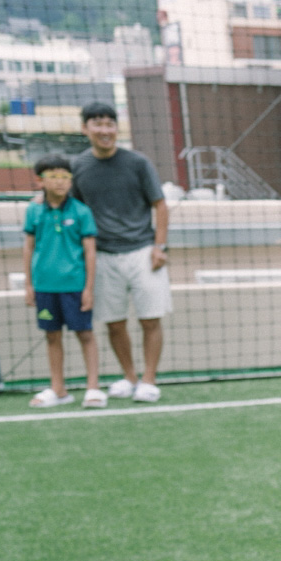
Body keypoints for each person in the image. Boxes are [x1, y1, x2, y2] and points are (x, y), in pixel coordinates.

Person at [71, 101, 169, 404]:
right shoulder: (78, 167)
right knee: (114, 323)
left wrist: (159, 247)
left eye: (110, 124)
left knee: (150, 319)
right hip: (102, 256)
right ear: (85, 129)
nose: (105, 130)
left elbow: (160, 205)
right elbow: (73, 208)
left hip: (143, 252)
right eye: (97, 124)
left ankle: (149, 380)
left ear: (116, 128)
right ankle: (129, 377)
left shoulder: (138, 163)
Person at [22, 155, 103, 410]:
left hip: (75, 286)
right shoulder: (33, 211)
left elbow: (90, 252)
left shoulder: (81, 211)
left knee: (85, 334)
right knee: (52, 336)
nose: (60, 182)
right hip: (45, 287)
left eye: (65, 176)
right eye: (53, 176)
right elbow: (28, 247)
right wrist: (28, 284)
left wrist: (89, 288)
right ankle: (58, 389)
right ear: (40, 181)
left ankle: (93, 388)